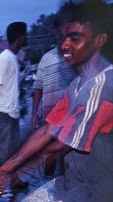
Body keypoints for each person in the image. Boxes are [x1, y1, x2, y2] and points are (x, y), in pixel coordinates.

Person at [0, 1, 113, 202]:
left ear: (99, 40)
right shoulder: (80, 82)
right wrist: (4, 168)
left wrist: (15, 177)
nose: (65, 45)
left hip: (98, 194)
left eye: (75, 38)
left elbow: (60, 144)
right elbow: (46, 129)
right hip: (75, 182)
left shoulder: (102, 86)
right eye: (63, 38)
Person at [31, 17, 78, 177]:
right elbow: (38, 87)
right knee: (48, 152)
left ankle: (65, 183)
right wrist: (34, 113)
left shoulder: (76, 57)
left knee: (67, 152)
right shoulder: (46, 58)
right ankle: (47, 182)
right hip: (49, 115)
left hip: (71, 114)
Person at [0, 22, 28, 189]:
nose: (27, 38)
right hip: (3, 112)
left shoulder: (12, 58)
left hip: (11, 112)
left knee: (14, 149)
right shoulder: (4, 58)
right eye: (25, 35)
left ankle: (15, 180)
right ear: (20, 37)